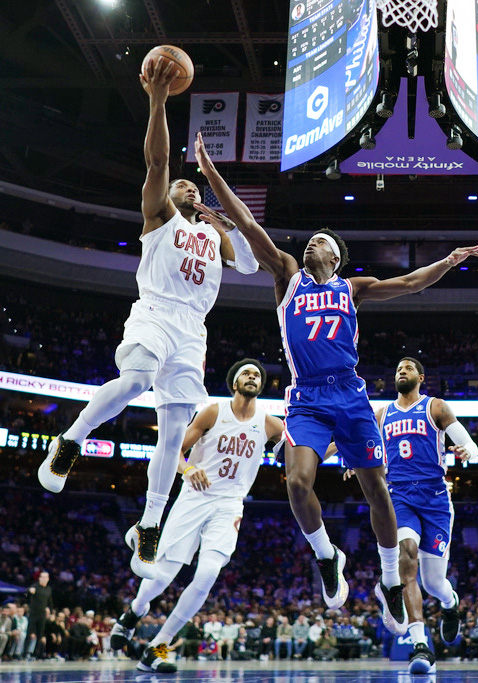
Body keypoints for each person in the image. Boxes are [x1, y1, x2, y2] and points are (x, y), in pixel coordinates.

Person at [193, 131, 478, 636]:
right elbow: (244, 219)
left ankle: (391, 579)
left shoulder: (354, 288)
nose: (312, 243)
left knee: (377, 488)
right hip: (306, 397)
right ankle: (328, 556)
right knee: (298, 483)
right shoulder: (286, 273)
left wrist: (449, 262)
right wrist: (210, 173)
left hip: (349, 394)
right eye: (310, 240)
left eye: (321, 242)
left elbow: (411, 282)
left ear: (336, 257)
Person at [37, 56, 258, 580]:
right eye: (186, 187)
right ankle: (69, 441)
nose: (190, 189)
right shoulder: (158, 216)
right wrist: (158, 102)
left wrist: (223, 218)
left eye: (194, 189)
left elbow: (250, 263)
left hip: (192, 329)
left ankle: (152, 521)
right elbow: (158, 163)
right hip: (155, 311)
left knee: (175, 427)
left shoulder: (212, 235)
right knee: (135, 379)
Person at [110, 358, 283, 673]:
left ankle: (157, 647)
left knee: (207, 576)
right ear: (234, 382)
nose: (253, 376)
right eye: (246, 371)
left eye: (257, 374)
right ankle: (133, 612)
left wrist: (344, 451)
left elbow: (301, 455)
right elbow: (173, 450)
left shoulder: (270, 423)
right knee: (164, 573)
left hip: (230, 503)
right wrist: (188, 468)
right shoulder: (214, 412)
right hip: (195, 497)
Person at [370, 357, 478, 674]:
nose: (401, 371)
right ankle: (421, 647)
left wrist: (466, 451)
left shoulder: (436, 407)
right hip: (400, 495)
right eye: (397, 369)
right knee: (406, 555)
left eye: (407, 368)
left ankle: (450, 602)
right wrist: (355, 463)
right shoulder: (382, 415)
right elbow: (368, 451)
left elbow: (468, 443)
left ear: (420, 377)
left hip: (434, 497)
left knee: (434, 583)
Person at [23, 571, 53, 659]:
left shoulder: (48, 589)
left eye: (46, 577)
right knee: (29, 634)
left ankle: (37, 654)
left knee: (40, 635)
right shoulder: (34, 586)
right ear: (39, 578)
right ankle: (25, 653)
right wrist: (29, 592)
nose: (44, 579)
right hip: (33, 613)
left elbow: (50, 602)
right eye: (42, 577)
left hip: (42, 615)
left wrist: (50, 611)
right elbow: (26, 596)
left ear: (48, 579)